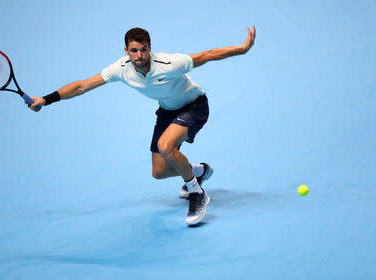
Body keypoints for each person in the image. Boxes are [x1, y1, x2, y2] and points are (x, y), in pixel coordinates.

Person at [29, 26, 256, 226]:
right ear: (126, 51)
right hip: (167, 110)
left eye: (143, 49)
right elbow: (81, 86)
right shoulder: (120, 68)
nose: (139, 55)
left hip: (194, 105)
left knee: (165, 146)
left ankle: (197, 193)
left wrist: (242, 49)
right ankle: (199, 170)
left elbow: (207, 55)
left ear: (150, 48)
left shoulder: (169, 63)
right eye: (134, 50)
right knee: (158, 172)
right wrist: (46, 99)